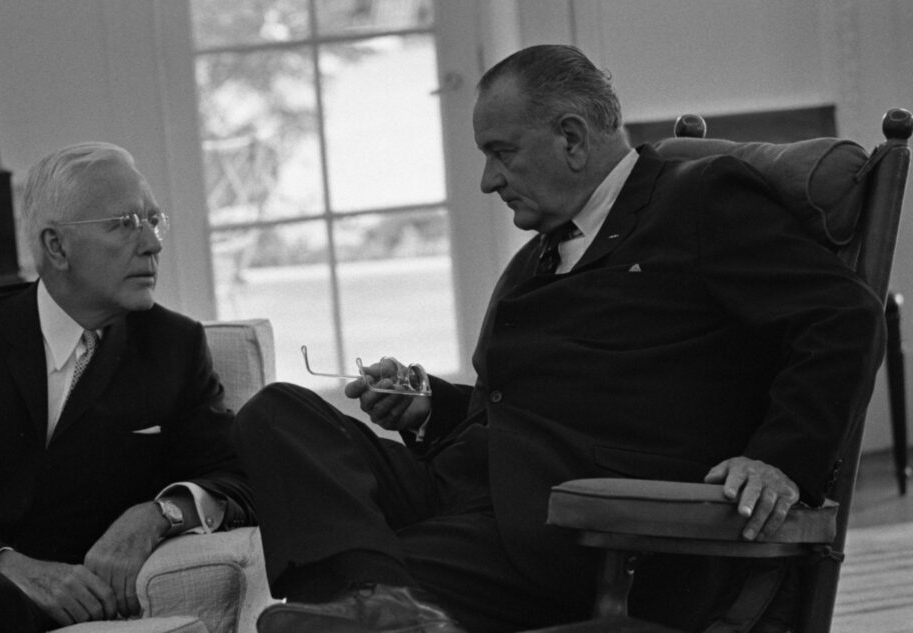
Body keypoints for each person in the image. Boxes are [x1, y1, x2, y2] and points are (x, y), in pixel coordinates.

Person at [232, 45, 885, 633]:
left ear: (572, 138)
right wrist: (430, 406)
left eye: (501, 152)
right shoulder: (538, 256)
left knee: (302, 611)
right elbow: (514, 408)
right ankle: (383, 601)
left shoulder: (699, 200)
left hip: (574, 529)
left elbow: (843, 315)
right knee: (276, 413)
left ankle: (374, 599)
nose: (489, 180)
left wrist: (780, 457)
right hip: (471, 491)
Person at [0, 142, 255, 632]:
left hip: (79, 607)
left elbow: (237, 476)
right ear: (56, 246)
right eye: (125, 223)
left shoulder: (174, 346)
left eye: (153, 220)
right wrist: (5, 565)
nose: (152, 243)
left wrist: (157, 513)